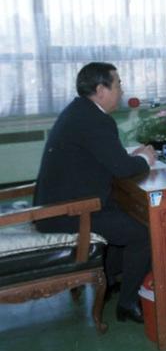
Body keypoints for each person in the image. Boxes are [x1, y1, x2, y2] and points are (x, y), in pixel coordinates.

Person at [34, 62, 157, 324]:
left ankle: (111, 280)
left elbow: (105, 158)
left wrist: (127, 158)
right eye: (118, 84)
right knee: (144, 234)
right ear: (101, 90)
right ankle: (128, 303)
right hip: (69, 212)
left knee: (126, 215)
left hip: (61, 204)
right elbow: (122, 169)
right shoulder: (96, 120)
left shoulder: (79, 111)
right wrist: (146, 159)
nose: (121, 91)